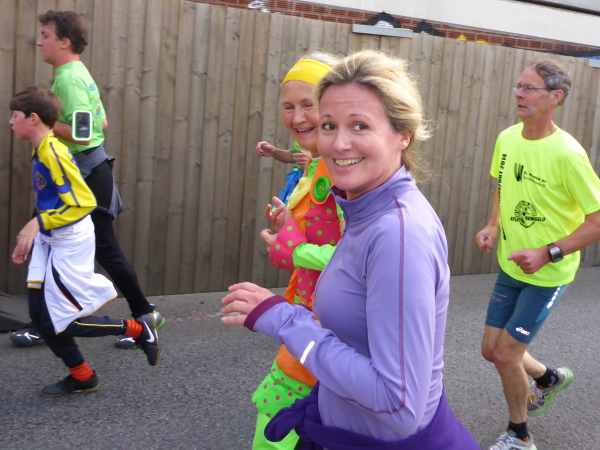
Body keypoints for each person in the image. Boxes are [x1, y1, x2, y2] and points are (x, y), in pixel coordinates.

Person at [222, 50, 479, 449]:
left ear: (404, 134)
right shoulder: (363, 209)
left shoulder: (398, 234)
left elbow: (398, 406)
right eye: (329, 125)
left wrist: (285, 318)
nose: (339, 143)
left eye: (360, 125)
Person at [10, 9, 164, 350]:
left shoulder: (68, 78)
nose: (39, 42)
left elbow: (84, 133)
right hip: (89, 171)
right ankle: (51, 321)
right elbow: (101, 123)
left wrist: (41, 123)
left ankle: (143, 315)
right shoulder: (79, 73)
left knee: (94, 247)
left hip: (84, 174)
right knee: (69, 245)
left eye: (46, 36)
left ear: (64, 42)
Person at [476, 59, 600, 450]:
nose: (519, 93)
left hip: (548, 274)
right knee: (490, 351)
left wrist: (549, 253)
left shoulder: (568, 155)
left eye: (529, 88)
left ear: (555, 97)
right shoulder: (507, 138)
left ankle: (520, 435)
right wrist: (492, 225)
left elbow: (597, 221)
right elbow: (502, 185)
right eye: (519, 86)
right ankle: (548, 378)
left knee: (506, 356)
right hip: (512, 265)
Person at [9, 86, 161, 396]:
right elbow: (52, 200)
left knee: (62, 321)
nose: (10, 122)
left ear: (33, 118)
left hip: (69, 240)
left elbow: (83, 203)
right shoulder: (41, 148)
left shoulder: (53, 152)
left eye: (14, 116)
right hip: (51, 238)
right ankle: (83, 376)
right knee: (40, 317)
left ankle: (137, 328)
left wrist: (37, 223)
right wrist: (33, 234)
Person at [250, 53, 344, 449]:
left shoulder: (342, 171)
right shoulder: (318, 165)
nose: (298, 117)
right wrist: (288, 228)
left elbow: (359, 258)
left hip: (331, 325)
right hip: (308, 315)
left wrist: (294, 249)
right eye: (288, 106)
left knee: (274, 423)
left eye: (309, 104)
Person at [255, 140, 311, 205]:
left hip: (317, 183)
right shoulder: (300, 134)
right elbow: (294, 156)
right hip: (300, 181)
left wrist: (315, 161)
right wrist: (274, 152)